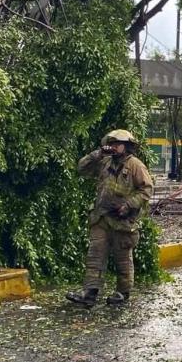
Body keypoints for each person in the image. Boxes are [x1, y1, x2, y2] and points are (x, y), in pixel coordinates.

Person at [66, 130, 153, 307]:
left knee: (122, 258)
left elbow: (146, 190)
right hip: (101, 217)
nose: (113, 147)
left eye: (117, 144)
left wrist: (128, 205)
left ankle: (123, 292)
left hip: (123, 220)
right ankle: (89, 292)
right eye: (111, 143)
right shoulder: (104, 162)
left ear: (126, 146)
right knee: (95, 255)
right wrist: (98, 153)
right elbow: (81, 168)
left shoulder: (136, 165)